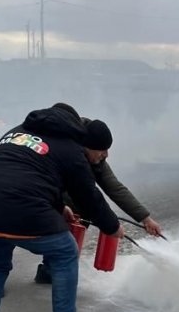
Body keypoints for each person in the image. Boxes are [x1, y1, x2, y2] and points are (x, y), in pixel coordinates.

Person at [0, 106, 123, 312]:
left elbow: (27, 174)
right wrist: (112, 227)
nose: (105, 155)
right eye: (101, 150)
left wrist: (58, 207)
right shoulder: (71, 149)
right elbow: (89, 196)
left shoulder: (16, 133)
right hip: (22, 210)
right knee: (65, 252)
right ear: (85, 141)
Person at [34, 102, 164, 284]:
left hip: (64, 199)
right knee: (79, 208)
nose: (106, 155)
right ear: (86, 147)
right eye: (102, 150)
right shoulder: (67, 151)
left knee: (82, 212)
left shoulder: (94, 152)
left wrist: (145, 218)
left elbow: (114, 187)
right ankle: (55, 268)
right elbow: (83, 194)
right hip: (42, 197)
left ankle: (52, 269)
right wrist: (107, 222)